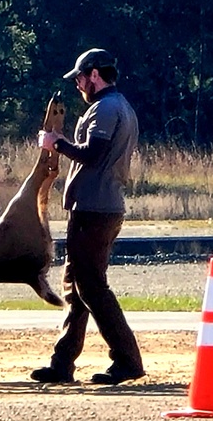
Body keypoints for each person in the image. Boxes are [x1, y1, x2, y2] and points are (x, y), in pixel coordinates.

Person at [30, 48, 145, 385]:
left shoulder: (106, 109)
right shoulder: (118, 106)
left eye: (80, 78)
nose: (78, 84)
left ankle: (127, 359)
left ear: (94, 75)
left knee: (91, 288)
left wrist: (56, 142)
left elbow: (92, 154)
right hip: (98, 206)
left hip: (95, 208)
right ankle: (62, 362)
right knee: (76, 287)